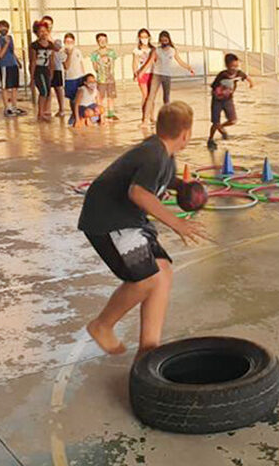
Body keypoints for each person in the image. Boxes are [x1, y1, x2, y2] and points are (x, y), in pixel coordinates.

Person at [78, 101, 211, 356]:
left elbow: (159, 179)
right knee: (146, 279)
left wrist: (182, 187)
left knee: (162, 271)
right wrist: (177, 223)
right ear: (186, 134)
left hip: (129, 221)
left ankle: (148, 349)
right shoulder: (154, 155)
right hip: (109, 221)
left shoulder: (164, 154)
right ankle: (102, 326)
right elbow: (138, 192)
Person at [136, 30, 195, 127]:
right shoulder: (156, 50)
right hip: (157, 74)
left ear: (169, 40)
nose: (164, 42)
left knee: (166, 98)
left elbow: (180, 61)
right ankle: (145, 120)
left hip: (167, 75)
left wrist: (189, 68)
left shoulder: (172, 50)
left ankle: (167, 119)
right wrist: (141, 72)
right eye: (162, 40)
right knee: (151, 97)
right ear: (160, 41)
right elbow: (150, 62)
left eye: (166, 40)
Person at [207, 53, 253, 150]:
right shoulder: (222, 75)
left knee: (233, 120)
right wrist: (218, 93)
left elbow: (247, 77)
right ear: (227, 66)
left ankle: (221, 128)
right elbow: (213, 86)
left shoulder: (238, 73)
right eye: (232, 66)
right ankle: (211, 139)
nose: (234, 69)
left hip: (228, 100)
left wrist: (251, 83)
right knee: (215, 123)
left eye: (236, 66)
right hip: (217, 100)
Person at [0, 20, 24, 117]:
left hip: (13, 64)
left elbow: (12, 51)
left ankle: (14, 106)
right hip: (4, 65)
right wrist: (6, 44)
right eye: (1, 27)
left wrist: (18, 62)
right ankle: (7, 107)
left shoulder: (10, 38)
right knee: (5, 87)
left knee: (14, 87)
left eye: (5, 27)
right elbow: (0, 55)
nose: (3, 29)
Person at [29, 20, 56, 121]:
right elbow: (33, 61)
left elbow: (51, 60)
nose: (43, 33)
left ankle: (44, 111)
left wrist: (51, 73)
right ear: (36, 33)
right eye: (41, 31)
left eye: (45, 31)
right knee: (43, 91)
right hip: (38, 70)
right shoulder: (34, 45)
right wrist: (31, 77)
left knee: (48, 91)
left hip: (46, 70)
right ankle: (40, 113)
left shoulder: (50, 45)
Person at [91, 33, 119, 121]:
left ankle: (111, 114)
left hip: (110, 79)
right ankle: (100, 114)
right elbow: (94, 66)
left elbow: (113, 64)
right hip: (101, 79)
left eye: (104, 40)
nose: (102, 42)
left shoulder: (111, 52)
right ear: (97, 42)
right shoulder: (95, 54)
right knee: (100, 97)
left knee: (111, 97)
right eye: (100, 40)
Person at [62, 33, 86, 126]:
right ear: (64, 42)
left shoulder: (77, 51)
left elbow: (81, 63)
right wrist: (69, 54)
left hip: (79, 77)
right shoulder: (62, 52)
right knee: (72, 99)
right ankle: (74, 115)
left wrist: (84, 76)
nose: (69, 43)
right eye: (67, 42)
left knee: (80, 97)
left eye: (71, 42)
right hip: (70, 78)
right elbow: (66, 66)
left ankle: (81, 115)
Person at [52, 39, 67, 116]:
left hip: (57, 71)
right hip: (52, 71)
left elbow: (65, 65)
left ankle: (61, 109)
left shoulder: (60, 54)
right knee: (55, 90)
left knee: (59, 90)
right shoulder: (51, 52)